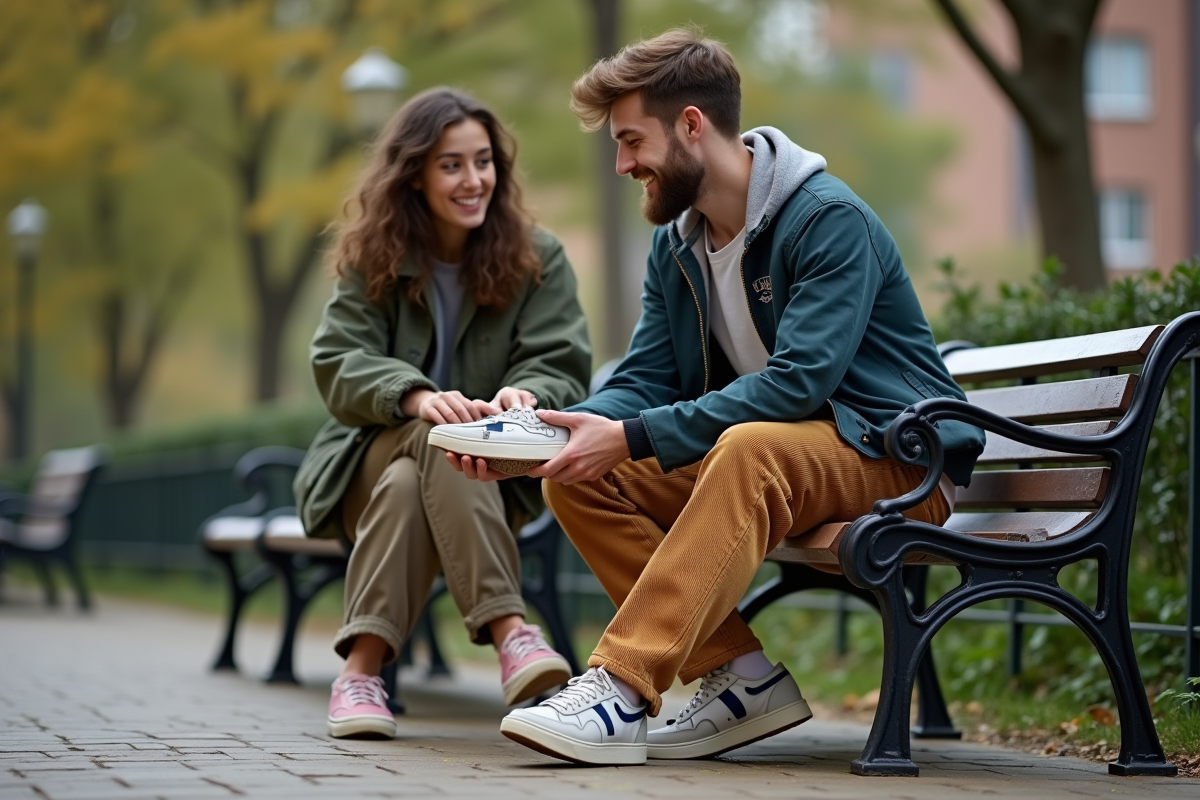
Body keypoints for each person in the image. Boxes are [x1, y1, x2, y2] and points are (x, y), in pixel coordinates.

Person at [443, 29, 985, 765]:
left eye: (632, 141)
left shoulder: (827, 220)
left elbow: (798, 383)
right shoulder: (679, 244)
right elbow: (646, 377)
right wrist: (545, 434)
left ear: (692, 125)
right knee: (584, 476)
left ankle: (622, 686)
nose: (623, 164)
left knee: (746, 447)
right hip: (784, 464)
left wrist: (632, 435)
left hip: (896, 463)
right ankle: (741, 678)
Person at [293, 87, 592, 740]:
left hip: (495, 478)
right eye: (451, 165)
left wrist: (526, 395)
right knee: (433, 442)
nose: (473, 180)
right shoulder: (375, 257)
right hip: (365, 467)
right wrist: (416, 397)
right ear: (415, 175)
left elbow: (561, 361)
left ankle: (360, 675)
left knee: (417, 478)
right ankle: (510, 630)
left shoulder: (537, 257)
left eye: (483, 162)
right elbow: (337, 361)